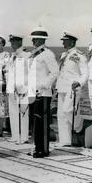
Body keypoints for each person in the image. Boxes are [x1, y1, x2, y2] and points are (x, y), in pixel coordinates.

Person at [27, 28, 59, 157]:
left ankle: (43, 149)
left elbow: (55, 72)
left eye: (35, 39)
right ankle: (37, 146)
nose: (33, 41)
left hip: (43, 93)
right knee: (35, 123)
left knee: (43, 122)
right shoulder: (35, 54)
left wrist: (43, 85)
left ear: (41, 40)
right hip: (33, 92)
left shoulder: (48, 54)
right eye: (33, 38)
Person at [55, 33, 88, 146]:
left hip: (72, 87)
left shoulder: (79, 55)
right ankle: (65, 141)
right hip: (62, 87)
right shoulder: (64, 54)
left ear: (72, 42)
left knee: (68, 110)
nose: (63, 42)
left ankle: (79, 128)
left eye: (65, 40)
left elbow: (85, 73)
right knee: (61, 115)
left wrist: (79, 82)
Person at [6, 34, 31, 144]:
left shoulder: (27, 55)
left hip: (22, 89)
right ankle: (15, 135)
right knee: (13, 112)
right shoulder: (13, 56)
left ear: (20, 42)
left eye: (14, 42)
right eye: (11, 42)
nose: (12, 44)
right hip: (11, 88)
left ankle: (23, 136)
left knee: (23, 113)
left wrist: (26, 87)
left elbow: (31, 72)